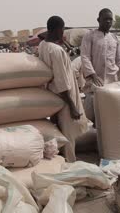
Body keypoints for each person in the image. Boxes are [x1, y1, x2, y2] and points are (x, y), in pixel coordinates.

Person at [38, 16, 88, 162]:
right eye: (62, 29)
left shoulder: (43, 45)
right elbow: (62, 82)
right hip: (64, 97)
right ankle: (70, 162)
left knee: (58, 131)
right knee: (68, 134)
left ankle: (60, 160)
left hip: (52, 95)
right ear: (58, 29)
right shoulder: (56, 51)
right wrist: (72, 105)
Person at [80, 8, 120, 122]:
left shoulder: (114, 38)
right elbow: (85, 57)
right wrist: (93, 75)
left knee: (109, 118)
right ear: (98, 20)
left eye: (110, 19)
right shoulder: (90, 35)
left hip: (111, 84)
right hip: (94, 84)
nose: (108, 22)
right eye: (105, 19)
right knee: (92, 117)